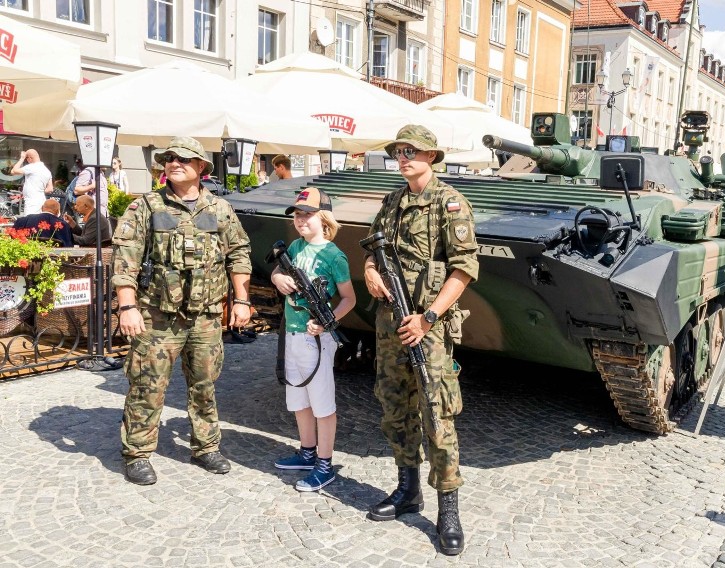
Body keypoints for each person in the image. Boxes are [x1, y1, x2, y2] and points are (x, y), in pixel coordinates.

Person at [363, 125, 479, 556]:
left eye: (411, 151)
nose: (403, 157)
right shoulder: (392, 201)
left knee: (436, 412)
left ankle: (448, 507)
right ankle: (407, 490)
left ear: (431, 155)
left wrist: (429, 318)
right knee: (395, 406)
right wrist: (371, 271)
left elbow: (464, 268)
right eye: (398, 151)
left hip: (428, 328)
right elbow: (370, 248)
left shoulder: (449, 202)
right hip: (390, 324)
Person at [111, 136, 252, 486]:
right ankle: (138, 452)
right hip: (158, 316)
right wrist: (126, 306)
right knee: (147, 383)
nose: (174, 163)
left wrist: (242, 300)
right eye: (169, 158)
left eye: (184, 159)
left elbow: (239, 253)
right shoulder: (146, 206)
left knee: (205, 384)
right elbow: (124, 258)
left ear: (201, 167)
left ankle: (205, 446)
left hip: (205, 316)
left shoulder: (219, 209)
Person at [270, 186, 355, 492]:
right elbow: (277, 272)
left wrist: (326, 321)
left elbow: (349, 298)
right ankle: (307, 452)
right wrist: (278, 277)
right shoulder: (294, 248)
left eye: (308, 214)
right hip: (292, 333)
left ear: (324, 218)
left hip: (315, 338)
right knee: (298, 400)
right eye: (297, 214)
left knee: (321, 403)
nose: (301, 220)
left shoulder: (335, 255)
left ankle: (324, 463)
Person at [11, 149, 53, 216]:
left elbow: (13, 171)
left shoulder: (32, 167)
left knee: (29, 223)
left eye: (26, 158)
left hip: (31, 201)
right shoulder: (47, 170)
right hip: (42, 200)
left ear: (30, 158)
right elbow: (50, 189)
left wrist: (22, 158)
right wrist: (38, 191)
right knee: (39, 223)